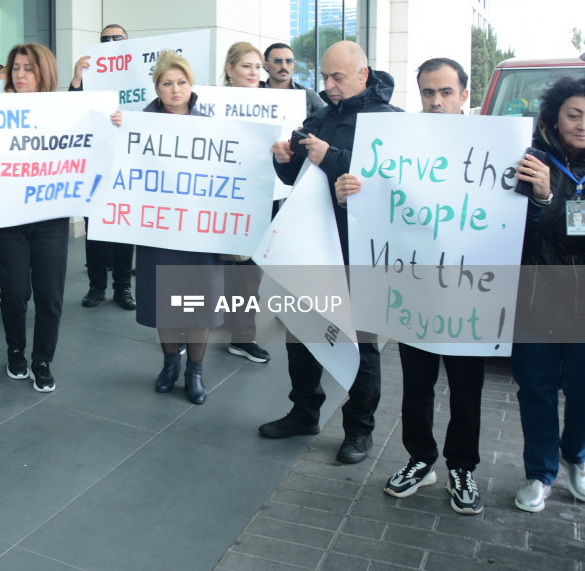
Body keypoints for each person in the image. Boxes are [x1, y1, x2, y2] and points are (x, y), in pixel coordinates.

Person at [336, 58, 489, 514]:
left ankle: (463, 467)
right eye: (427, 93)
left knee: (466, 388)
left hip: (469, 292)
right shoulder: (401, 142)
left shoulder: (494, 146)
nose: (436, 102)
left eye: (445, 92)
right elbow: (376, 200)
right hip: (414, 288)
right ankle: (420, 459)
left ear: (465, 94)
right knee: (417, 384)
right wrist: (350, 192)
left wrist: (539, 194)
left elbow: (521, 216)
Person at [260, 41, 396, 465]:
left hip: (360, 250)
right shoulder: (317, 115)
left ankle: (359, 430)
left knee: (362, 343)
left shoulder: (390, 122)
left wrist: (332, 157)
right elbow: (298, 175)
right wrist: (284, 160)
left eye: (338, 77)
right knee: (301, 333)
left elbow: (391, 181)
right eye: (325, 76)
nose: (329, 85)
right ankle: (304, 413)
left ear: (363, 73)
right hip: (311, 244)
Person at [510, 74, 585, 512]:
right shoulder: (528, 163)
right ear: (554, 117)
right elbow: (509, 231)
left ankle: (576, 457)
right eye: (574, 115)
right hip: (534, 300)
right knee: (536, 389)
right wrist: (541, 196)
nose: (584, 125)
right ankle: (539, 472)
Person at [135, 51, 221, 404]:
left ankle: (195, 372)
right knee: (163, 301)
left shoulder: (213, 122)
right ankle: (170, 363)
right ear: (157, 88)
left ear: (191, 85)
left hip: (200, 229)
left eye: (181, 82)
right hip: (158, 228)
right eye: (167, 84)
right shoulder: (140, 123)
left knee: (197, 303)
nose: (175, 90)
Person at [0, 44, 73, 391]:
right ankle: (16, 350)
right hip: (8, 216)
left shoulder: (67, 110)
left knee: (49, 295)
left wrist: (111, 121)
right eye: (16, 68)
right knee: (13, 292)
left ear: (45, 72)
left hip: (50, 216)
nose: (21, 75)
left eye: (29, 68)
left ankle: (42, 359)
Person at [70, 24, 135, 310]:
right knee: (94, 228)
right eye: (104, 39)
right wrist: (77, 78)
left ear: (126, 42)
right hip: (94, 164)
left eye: (116, 38)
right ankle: (96, 287)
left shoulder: (139, 76)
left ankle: (123, 288)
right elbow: (72, 111)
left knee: (123, 229)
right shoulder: (87, 77)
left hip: (127, 165)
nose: (110, 42)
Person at [218, 41, 271, 364]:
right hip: (217, 198)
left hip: (255, 200)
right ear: (230, 70)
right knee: (208, 270)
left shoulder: (273, 104)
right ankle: (186, 328)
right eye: (247, 66)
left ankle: (243, 336)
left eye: (257, 67)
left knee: (249, 273)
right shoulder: (209, 103)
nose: (254, 73)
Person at [260, 42, 324, 116]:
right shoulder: (254, 93)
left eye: (289, 61)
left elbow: (324, 126)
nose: (284, 66)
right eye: (277, 61)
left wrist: (307, 127)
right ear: (266, 65)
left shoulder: (310, 97)